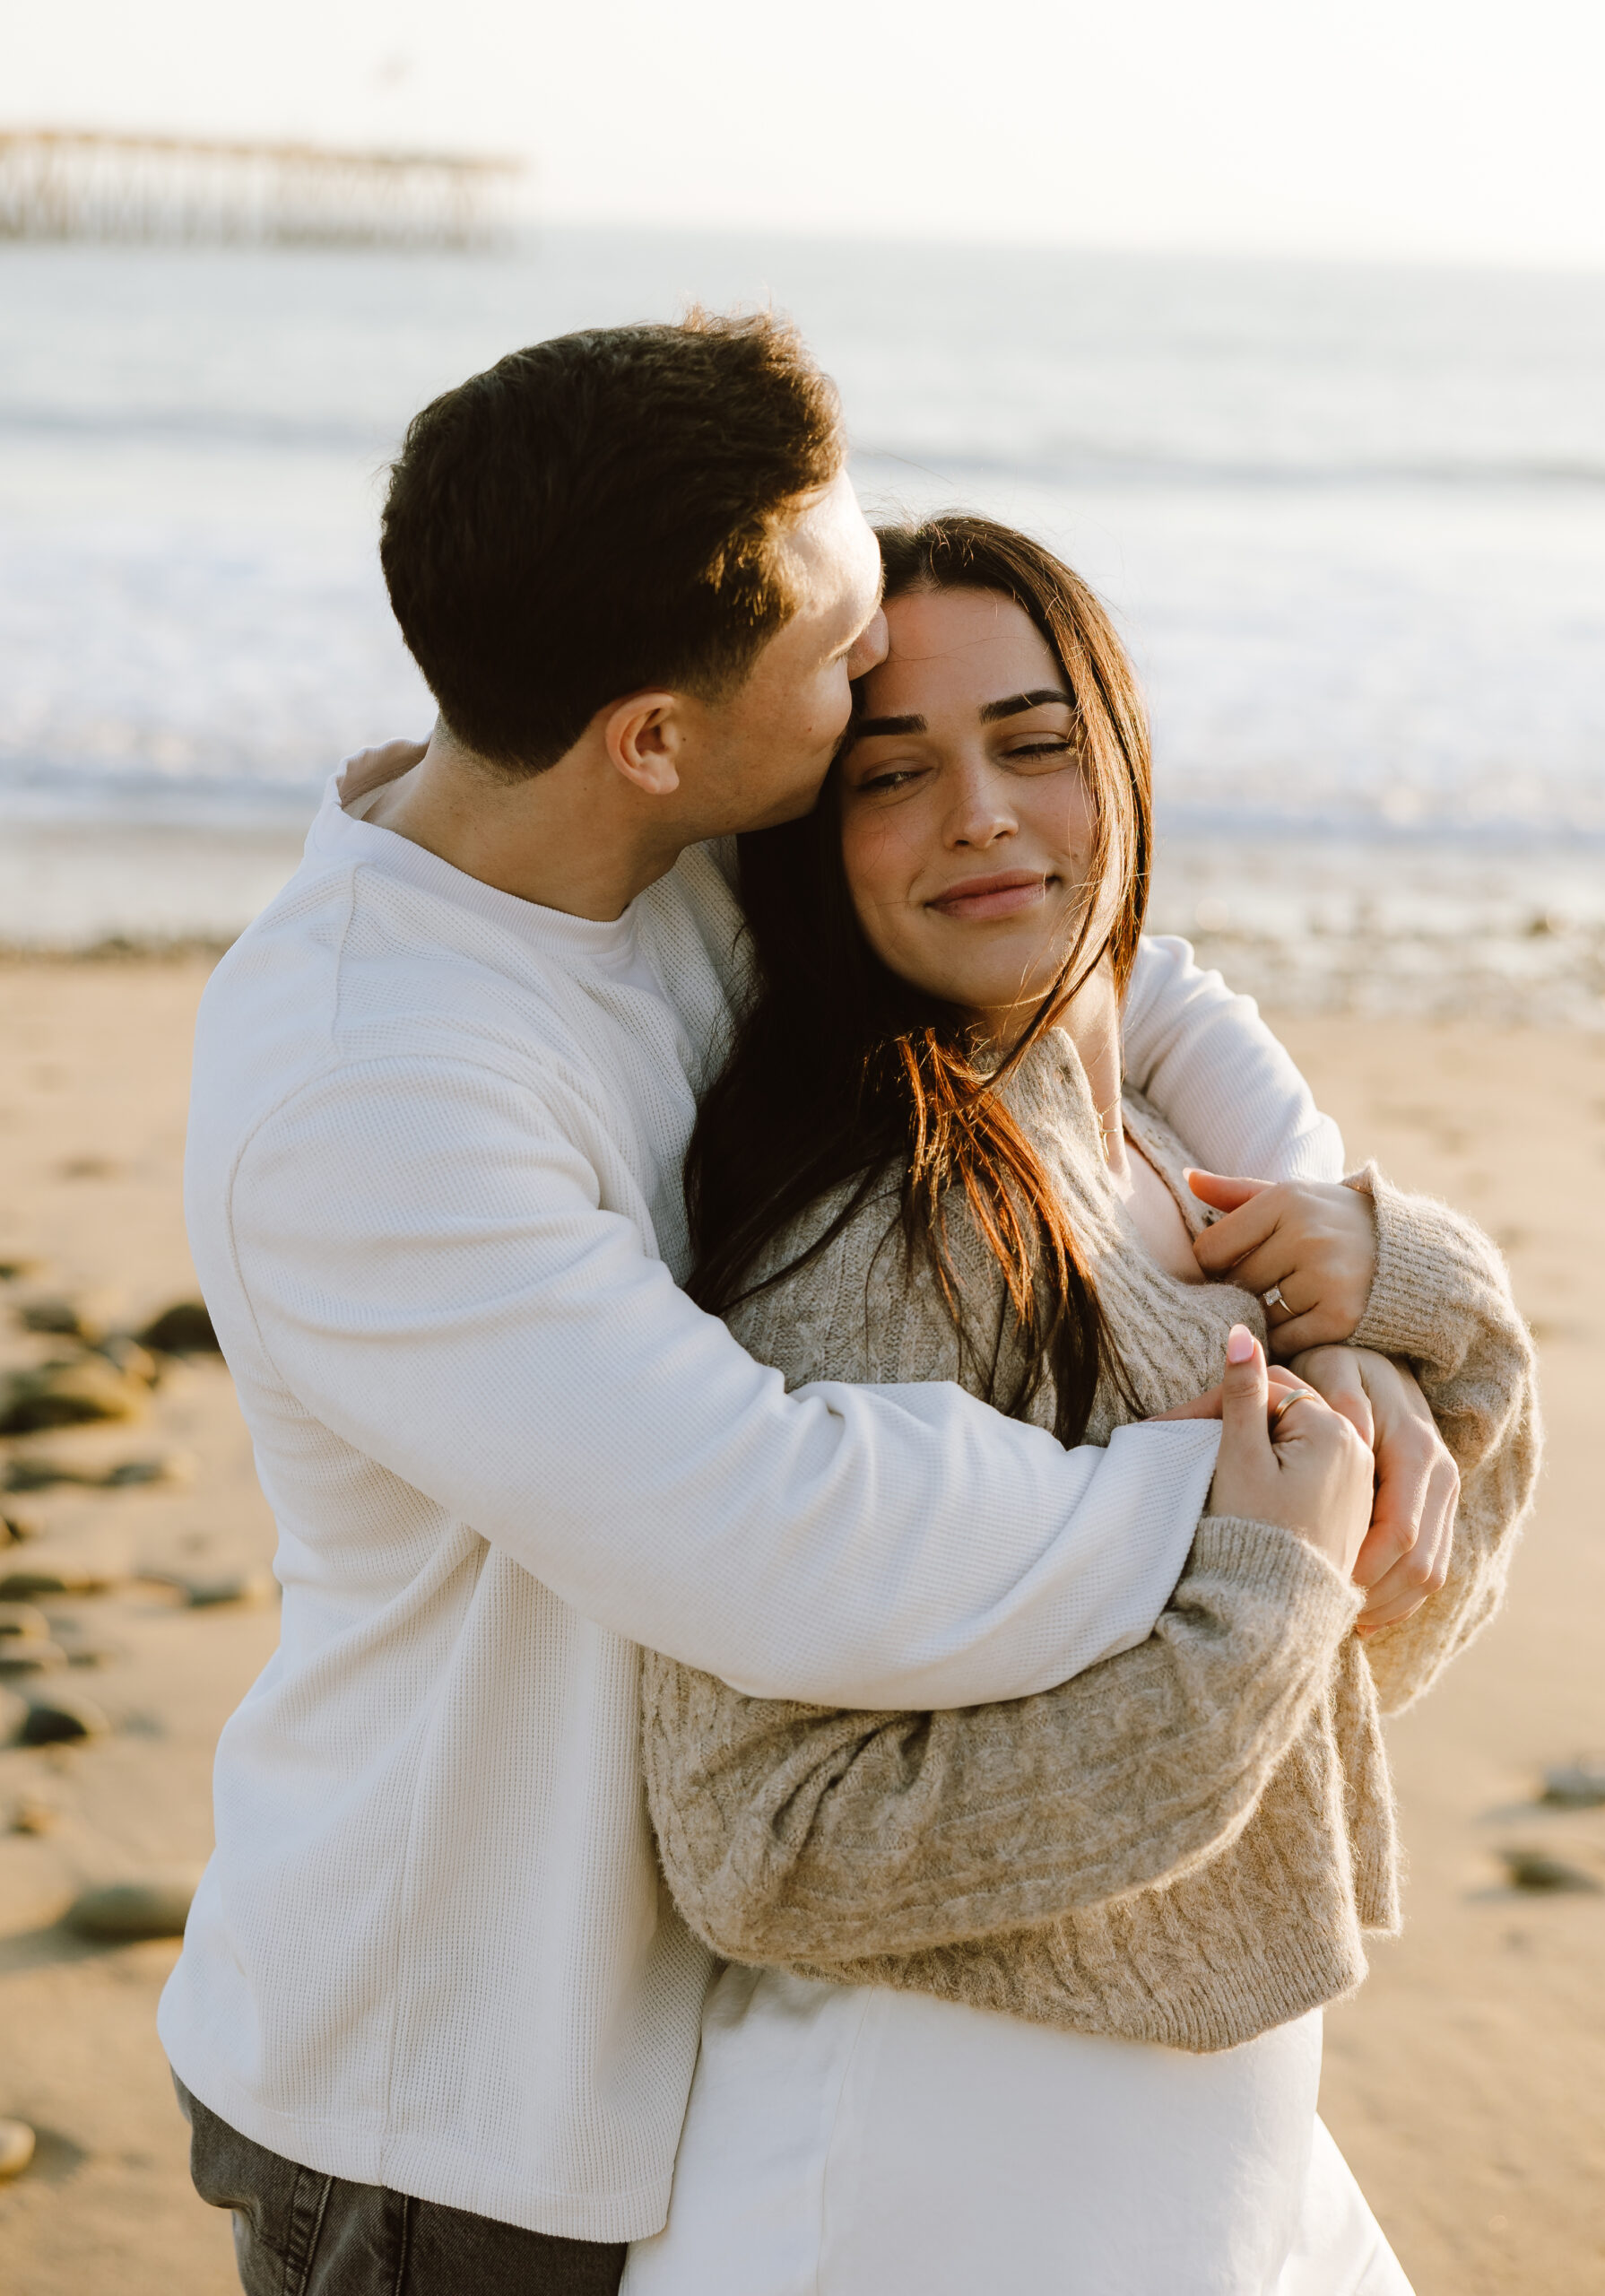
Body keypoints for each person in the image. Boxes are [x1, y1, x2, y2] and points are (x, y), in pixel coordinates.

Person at [160, 315, 1454, 2292]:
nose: (877, 673)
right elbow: (770, 1524)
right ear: (656, 735)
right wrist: (1229, 1489)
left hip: (702, 2023)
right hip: (466, 2083)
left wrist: (1330, 1263)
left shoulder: (657, 845)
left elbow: (1127, 969)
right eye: (844, 665)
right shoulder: (371, 1094)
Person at [625, 517, 1540, 2295]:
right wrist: (1253, 1603)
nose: (983, 810)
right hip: (936, 2181)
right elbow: (763, 1841)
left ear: (1119, 759)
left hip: (1192, 2150)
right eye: (895, 774)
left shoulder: (1131, 1135)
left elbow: (1382, 1628)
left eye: (1038, 742)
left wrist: (1397, 1282)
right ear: (814, 841)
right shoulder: (881, 1230)